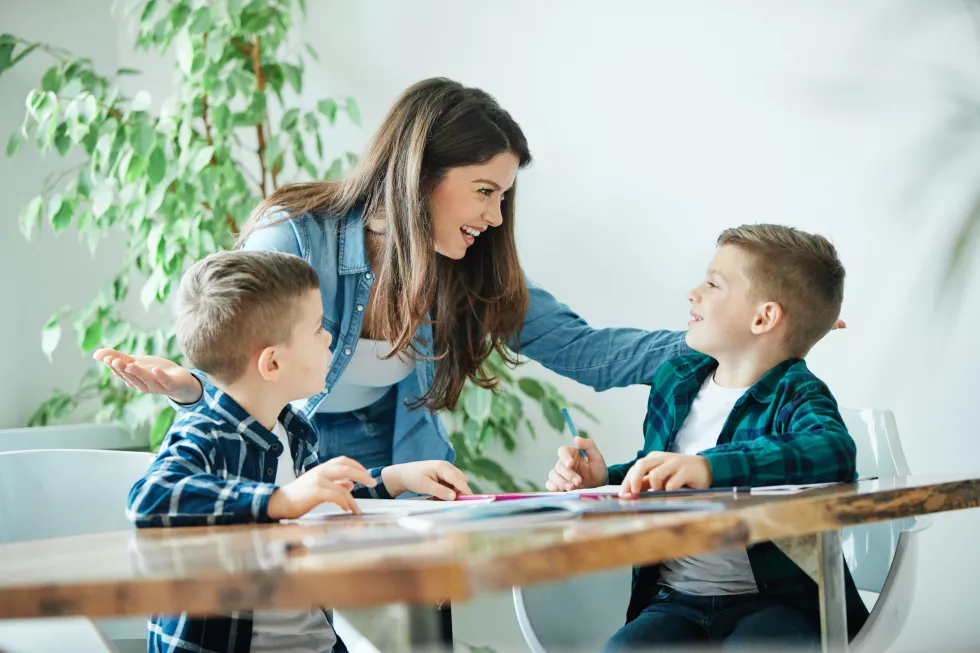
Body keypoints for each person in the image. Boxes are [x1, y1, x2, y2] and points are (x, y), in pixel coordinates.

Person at [94, 76, 690, 471]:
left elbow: (586, 349)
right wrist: (191, 390)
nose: (494, 215)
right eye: (484, 191)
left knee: (420, 616)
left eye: (503, 197)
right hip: (283, 452)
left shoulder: (464, 266)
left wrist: (721, 345)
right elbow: (235, 378)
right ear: (420, 174)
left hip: (396, 454)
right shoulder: (296, 236)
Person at [128, 249, 472, 653]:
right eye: (316, 329)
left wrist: (397, 478)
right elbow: (149, 499)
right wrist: (281, 500)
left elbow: (318, 499)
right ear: (272, 364)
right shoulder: (205, 434)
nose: (330, 338)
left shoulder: (292, 430)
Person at [545, 224, 868, 651]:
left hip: (778, 607)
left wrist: (710, 466)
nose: (693, 293)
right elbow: (666, 471)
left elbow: (834, 451)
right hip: (675, 602)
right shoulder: (676, 382)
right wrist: (606, 478)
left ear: (763, 317)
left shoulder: (795, 393)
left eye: (713, 283)